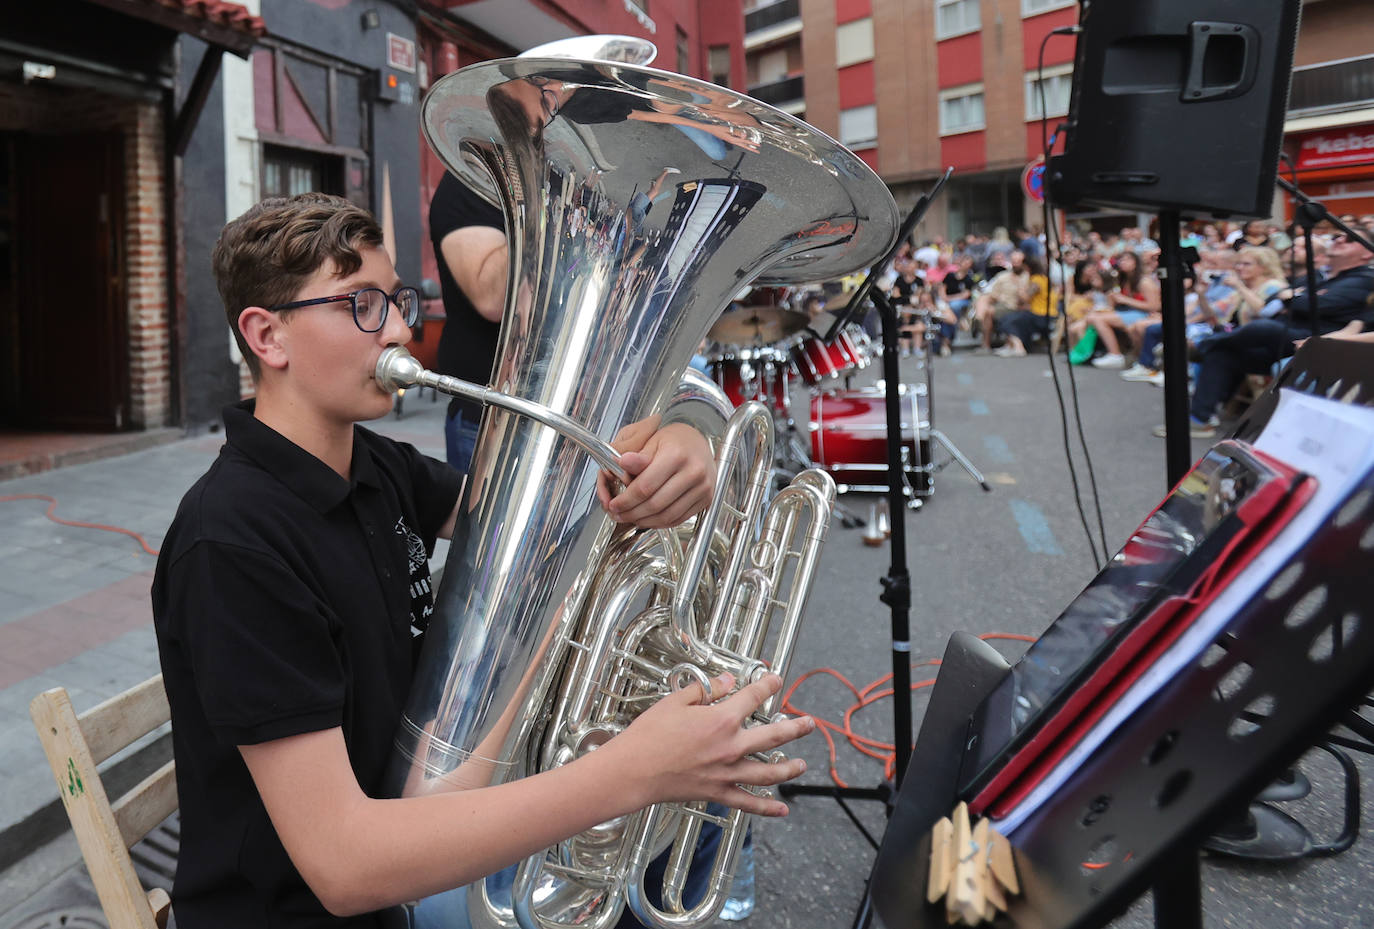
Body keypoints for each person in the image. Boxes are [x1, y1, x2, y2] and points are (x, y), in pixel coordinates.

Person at [152, 193, 814, 928]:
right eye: (363, 304)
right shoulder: (233, 543)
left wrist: (688, 432)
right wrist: (626, 773)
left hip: (424, 836)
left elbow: (552, 512)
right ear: (267, 335)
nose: (402, 328)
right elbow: (343, 866)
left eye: (399, 299)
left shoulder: (371, 464)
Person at [1156, 226, 1374, 439]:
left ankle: (1201, 346)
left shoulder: (1363, 279)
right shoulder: (1325, 278)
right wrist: (1292, 298)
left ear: (1367, 253)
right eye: (1337, 236)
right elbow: (1277, 301)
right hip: (1288, 339)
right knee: (1224, 355)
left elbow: (1317, 305)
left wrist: (1291, 298)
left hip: (1318, 343)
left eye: (1350, 239)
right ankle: (1200, 419)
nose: (1339, 239)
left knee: (1262, 327)